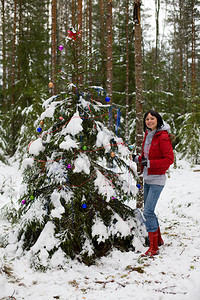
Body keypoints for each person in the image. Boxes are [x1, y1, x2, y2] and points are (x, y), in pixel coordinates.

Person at [133, 110, 174, 257]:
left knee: (148, 211)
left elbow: (169, 159)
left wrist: (148, 163)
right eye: (147, 119)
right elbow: (147, 156)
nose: (149, 121)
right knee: (149, 210)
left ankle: (153, 248)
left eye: (152, 118)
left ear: (158, 120)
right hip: (148, 178)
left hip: (157, 179)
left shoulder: (162, 137)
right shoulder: (148, 134)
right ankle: (159, 240)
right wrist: (138, 159)